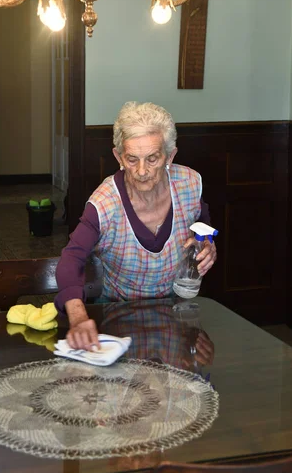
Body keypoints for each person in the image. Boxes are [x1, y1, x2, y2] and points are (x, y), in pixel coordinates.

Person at [55, 101, 217, 350]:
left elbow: (202, 222)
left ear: (170, 156)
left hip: (178, 317)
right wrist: (78, 318)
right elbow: (71, 259)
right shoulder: (104, 203)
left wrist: (206, 243)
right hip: (118, 320)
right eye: (132, 159)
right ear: (118, 157)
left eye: (152, 158)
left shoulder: (189, 183)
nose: (142, 171)